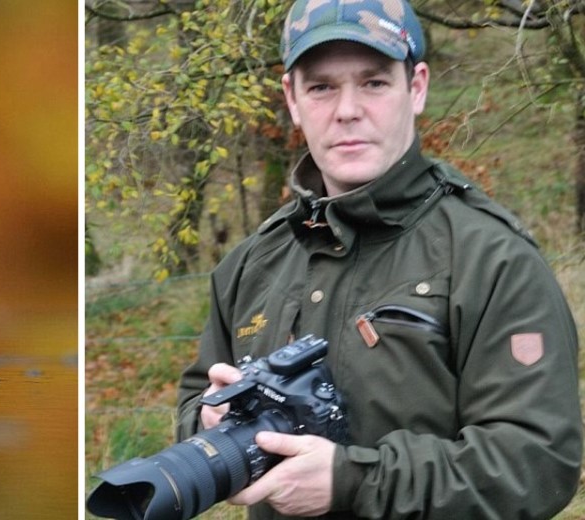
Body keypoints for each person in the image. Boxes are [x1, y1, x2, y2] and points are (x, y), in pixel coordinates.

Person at [175, 0, 583, 518]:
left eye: (373, 83)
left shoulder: (490, 257)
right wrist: (210, 422)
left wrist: (353, 481)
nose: (347, 110)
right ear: (292, 99)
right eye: (321, 87)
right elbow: (195, 399)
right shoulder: (253, 263)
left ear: (416, 87)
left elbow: (538, 462)